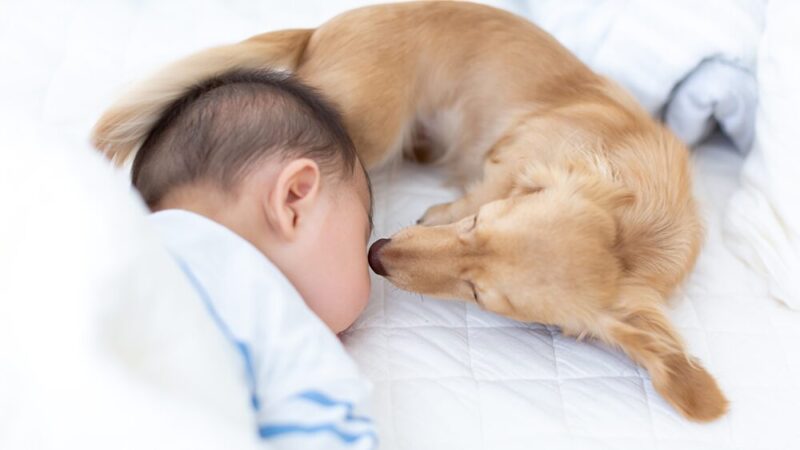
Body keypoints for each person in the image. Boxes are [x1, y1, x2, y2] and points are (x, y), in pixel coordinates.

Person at [137, 69, 376, 449]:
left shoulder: (120, 240)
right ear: (294, 200)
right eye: (362, 235)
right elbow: (326, 430)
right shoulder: (284, 326)